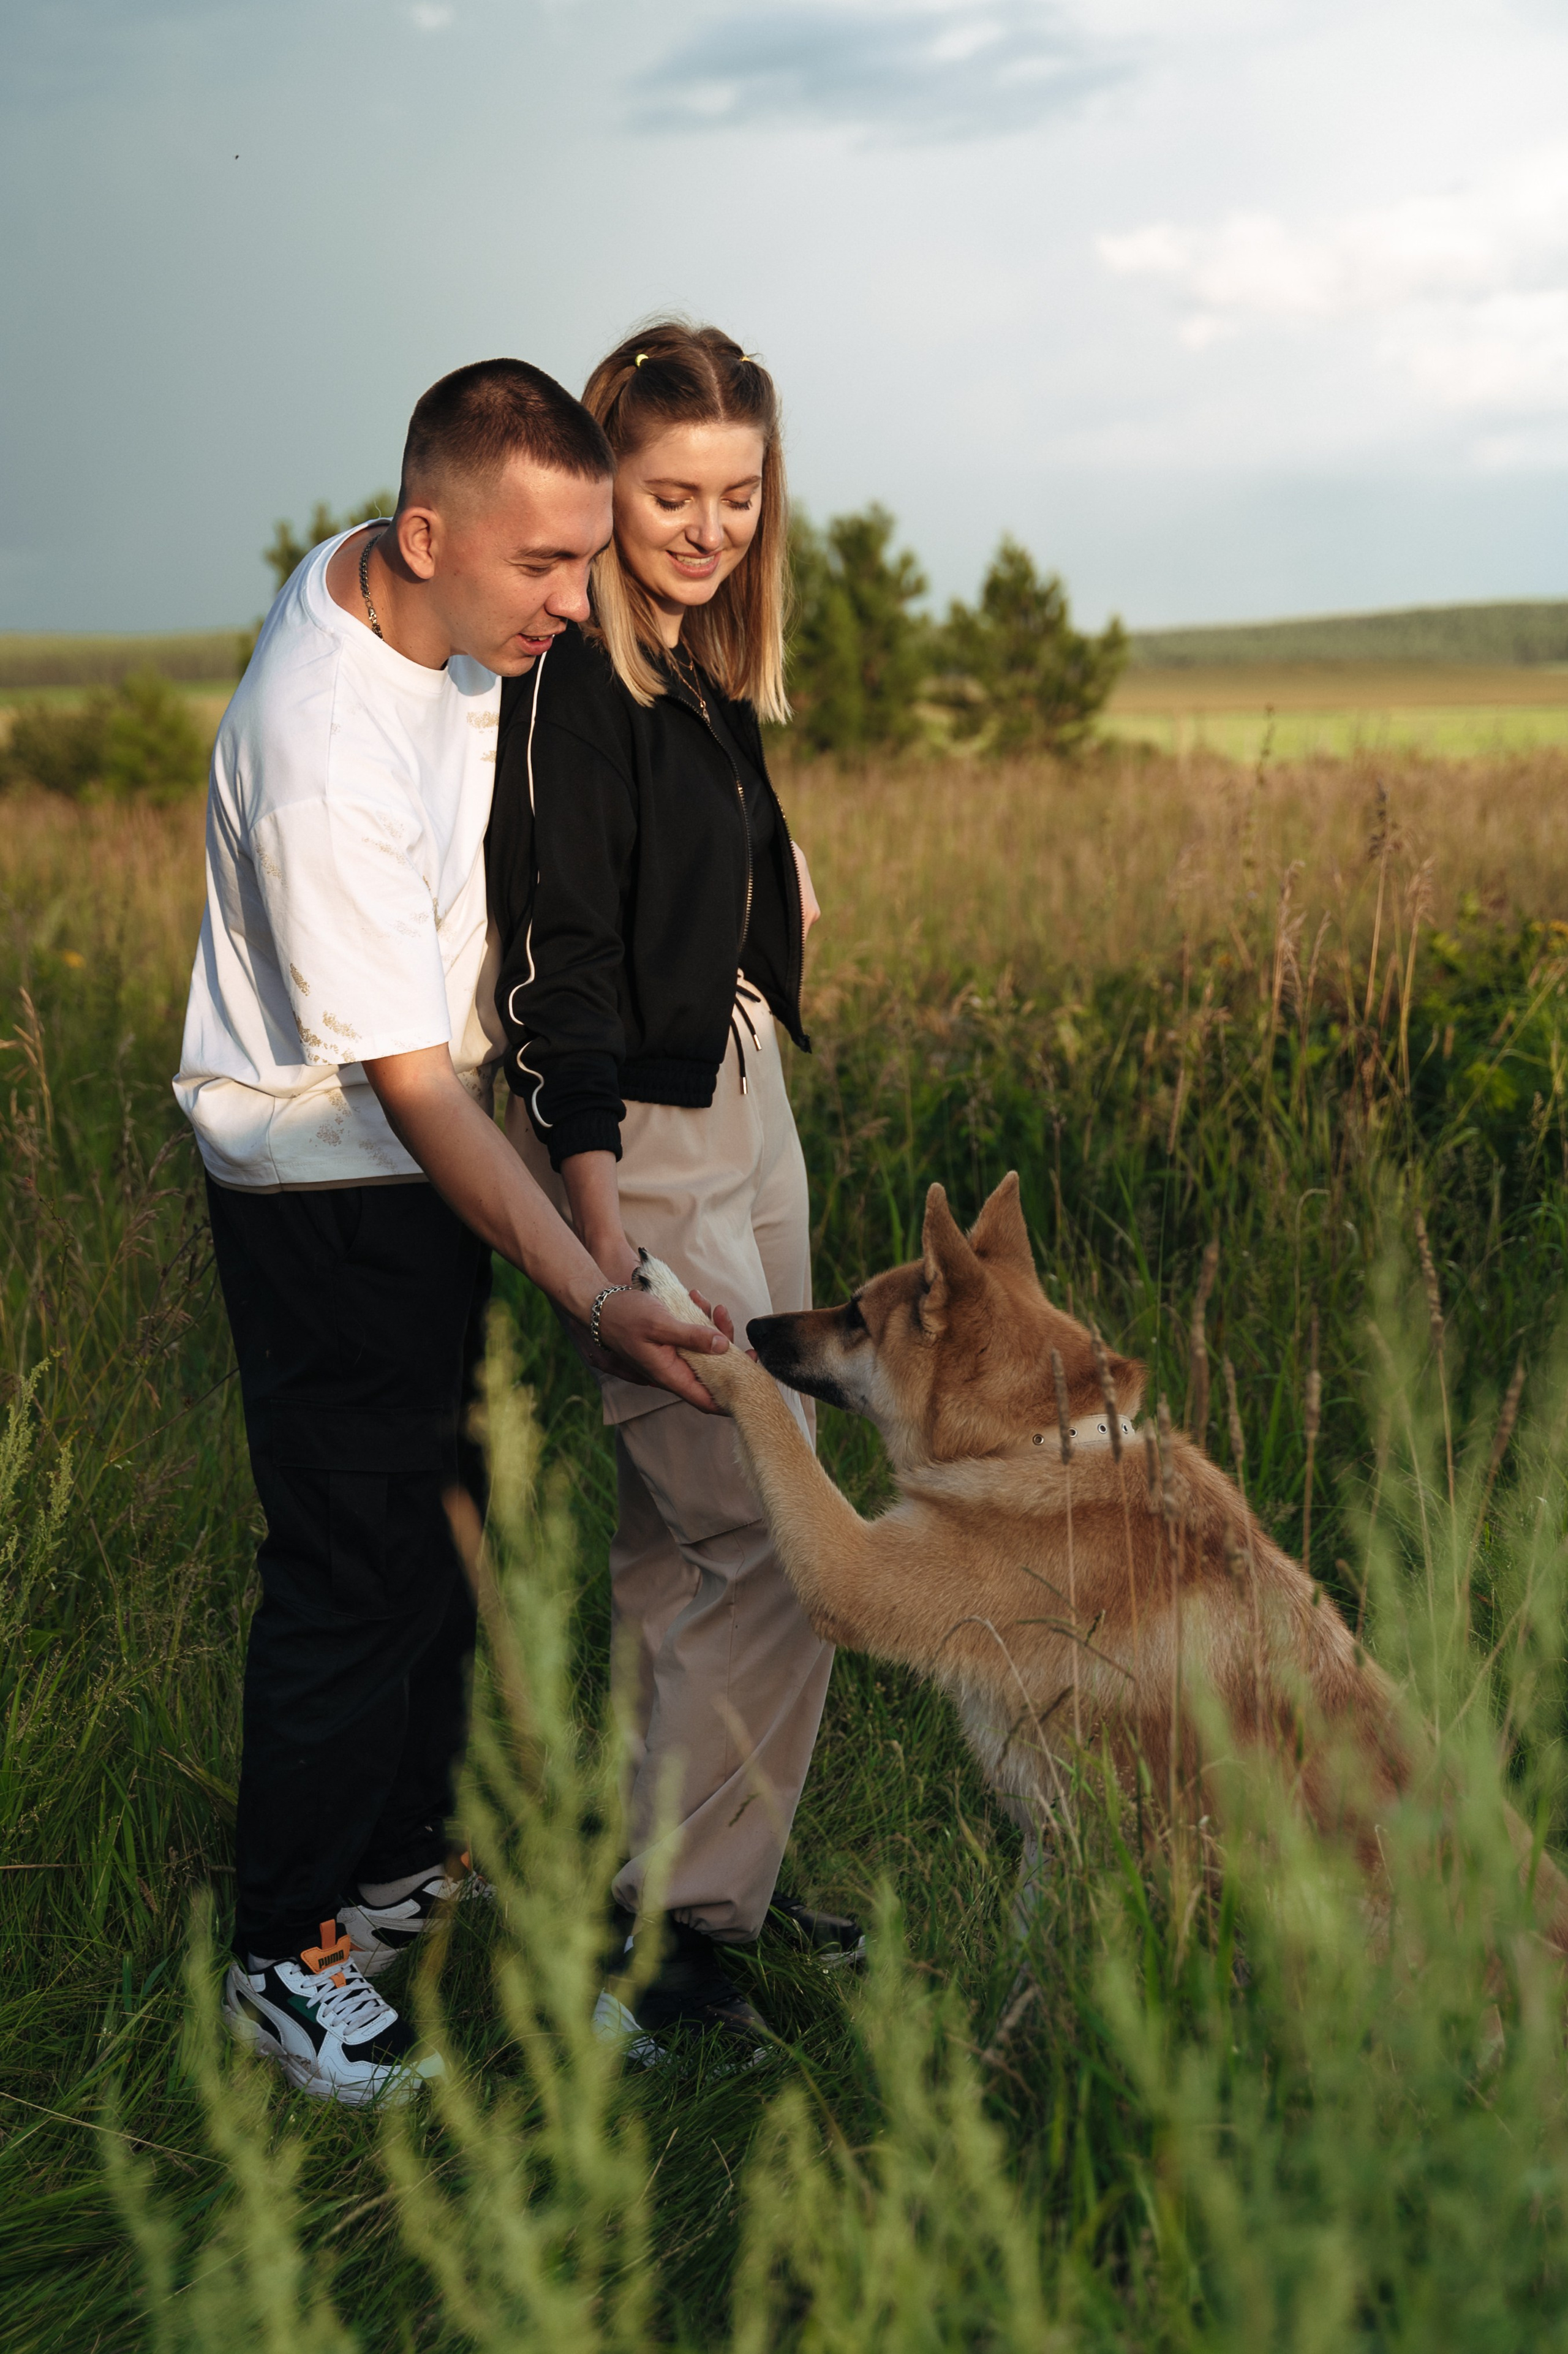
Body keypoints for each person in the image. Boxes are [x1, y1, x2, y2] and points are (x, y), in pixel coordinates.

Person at [175, 358, 730, 2108]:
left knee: (442, 1531)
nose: (573, 601)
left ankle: (394, 1868)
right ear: (426, 540)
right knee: (353, 1568)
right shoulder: (318, 747)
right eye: (543, 567)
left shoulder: (424, 589)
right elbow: (415, 1094)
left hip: (412, 1164)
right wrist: (596, 1292)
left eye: (585, 559)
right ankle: (285, 1951)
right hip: (321, 1185)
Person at [487, 322, 861, 2064]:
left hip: (738, 1091)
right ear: (605, 483)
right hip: (640, 1130)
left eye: (740, 494)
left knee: (683, 1547)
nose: (709, 527)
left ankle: (697, 1881)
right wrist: (597, 1228)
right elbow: (557, 964)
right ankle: (667, 1950)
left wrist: (771, 895)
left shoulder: (700, 669)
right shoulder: (576, 682)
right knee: (771, 1534)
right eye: (669, 495)